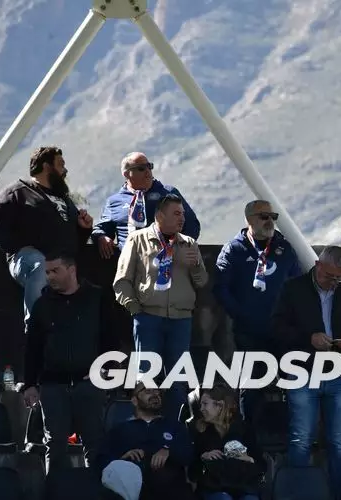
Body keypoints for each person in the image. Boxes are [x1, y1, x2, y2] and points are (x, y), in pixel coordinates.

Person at [272, 245, 341, 500]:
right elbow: (277, 328)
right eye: (329, 276)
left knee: (340, 441)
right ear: (317, 266)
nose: (333, 282)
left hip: (337, 372)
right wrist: (309, 338)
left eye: (338, 278)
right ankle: (298, 495)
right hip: (302, 370)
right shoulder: (293, 289)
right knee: (301, 439)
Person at [113, 194, 208, 420]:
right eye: (176, 213)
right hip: (148, 318)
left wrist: (195, 265)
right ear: (160, 216)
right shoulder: (137, 240)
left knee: (178, 378)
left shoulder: (189, 243)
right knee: (147, 378)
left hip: (181, 320)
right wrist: (135, 310)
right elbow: (122, 281)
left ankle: (176, 428)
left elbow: (202, 281)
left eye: (183, 214)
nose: (181, 218)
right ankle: (146, 426)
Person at [22, 252, 117, 474]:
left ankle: (94, 489)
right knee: (54, 444)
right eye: (47, 272)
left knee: (95, 442)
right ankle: (55, 489)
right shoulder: (42, 305)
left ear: (71, 270)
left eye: (55, 271)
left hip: (90, 383)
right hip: (53, 385)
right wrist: (30, 384)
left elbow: (111, 337)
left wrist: (105, 370)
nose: (49, 277)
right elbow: (32, 348)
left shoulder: (97, 298)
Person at [214, 199, 301, 420]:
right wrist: (242, 316)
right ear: (249, 220)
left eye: (273, 217)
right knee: (251, 388)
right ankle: (249, 435)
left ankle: (295, 434)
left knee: (296, 386)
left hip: (282, 332)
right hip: (249, 334)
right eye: (264, 217)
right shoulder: (234, 249)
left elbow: (298, 285)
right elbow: (221, 288)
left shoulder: (284, 248)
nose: (269, 221)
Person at [0, 146, 94, 323]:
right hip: (29, 259)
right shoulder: (19, 192)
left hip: (62, 262)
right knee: (40, 265)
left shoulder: (65, 200)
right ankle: (35, 325)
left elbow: (74, 240)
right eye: (60, 164)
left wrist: (84, 228)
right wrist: (20, 247)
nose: (65, 170)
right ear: (46, 166)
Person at [92, 152, 201, 260]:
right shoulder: (114, 201)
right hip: (130, 263)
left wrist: (177, 248)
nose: (147, 171)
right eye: (141, 168)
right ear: (126, 174)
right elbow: (101, 228)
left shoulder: (168, 194)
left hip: (165, 262)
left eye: (149, 166)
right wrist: (102, 237)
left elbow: (191, 225)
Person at [97, 383, 195, 500]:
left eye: (157, 391)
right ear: (134, 401)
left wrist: (169, 451)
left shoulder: (175, 426)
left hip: (169, 487)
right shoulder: (119, 430)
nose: (154, 394)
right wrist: (121, 459)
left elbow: (189, 453)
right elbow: (101, 461)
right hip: (131, 486)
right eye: (148, 391)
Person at [189, 384, 265, 500]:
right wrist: (203, 457)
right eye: (201, 404)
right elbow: (192, 473)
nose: (201, 409)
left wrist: (249, 459)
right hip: (214, 489)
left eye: (205, 404)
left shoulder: (244, 430)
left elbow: (262, 465)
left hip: (243, 488)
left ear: (220, 405)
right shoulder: (201, 431)